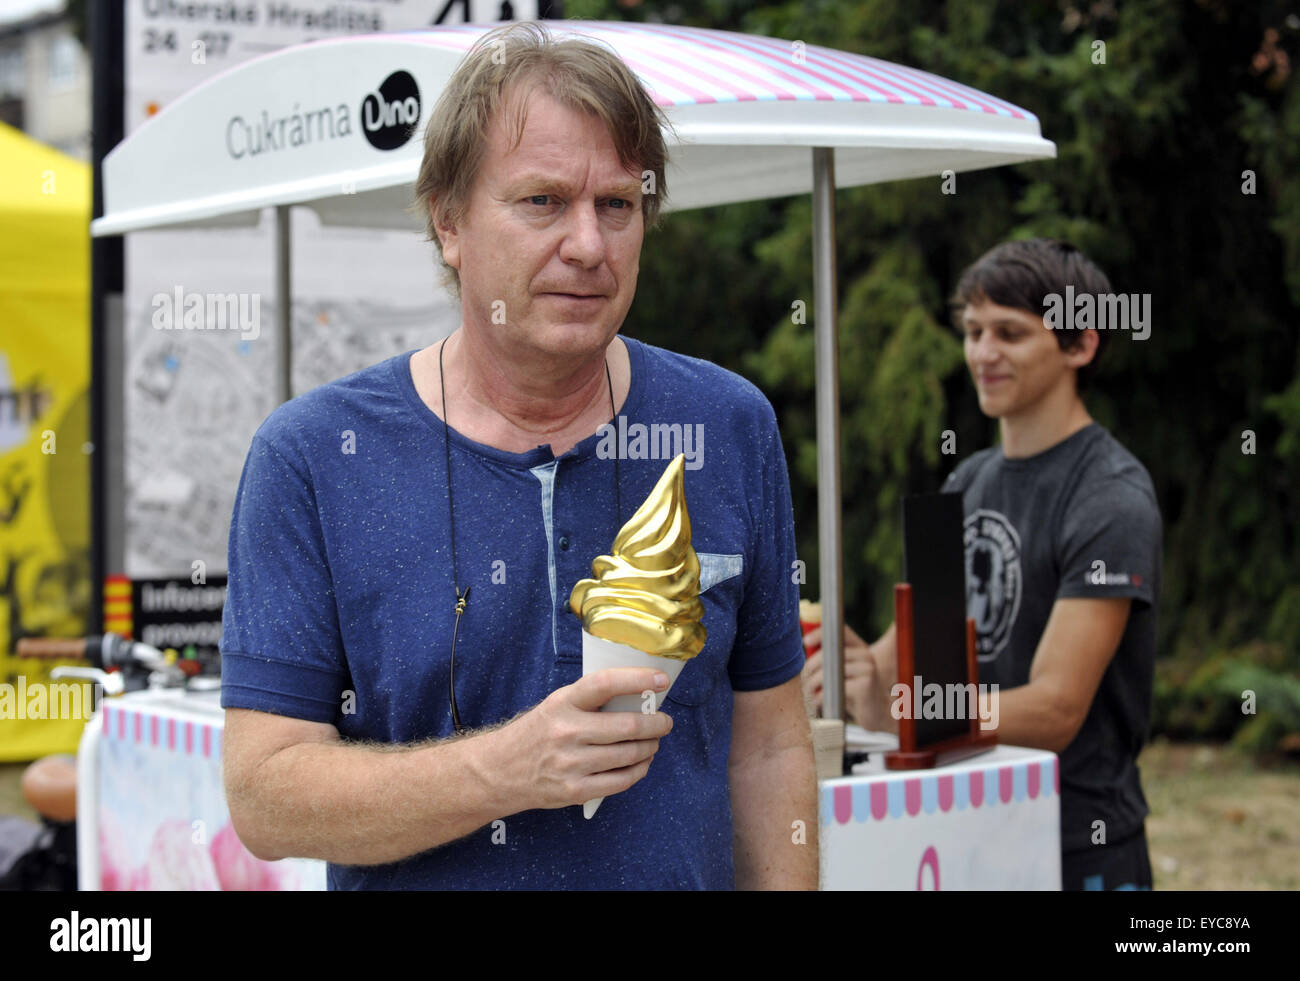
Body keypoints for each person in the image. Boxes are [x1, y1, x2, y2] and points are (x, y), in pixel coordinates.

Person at [219, 22, 817, 890]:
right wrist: (505, 770)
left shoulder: (726, 425)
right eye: (542, 201)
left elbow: (770, 749)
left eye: (617, 204)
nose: (588, 244)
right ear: (449, 220)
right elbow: (265, 794)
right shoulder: (313, 457)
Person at [803, 239, 1161, 891]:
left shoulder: (1111, 496)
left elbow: (1056, 708)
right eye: (972, 331)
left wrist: (913, 710)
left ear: (1081, 344)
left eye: (1010, 333)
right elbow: (901, 653)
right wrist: (844, 657)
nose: (982, 353)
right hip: (965, 832)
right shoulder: (965, 480)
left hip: (1077, 843)